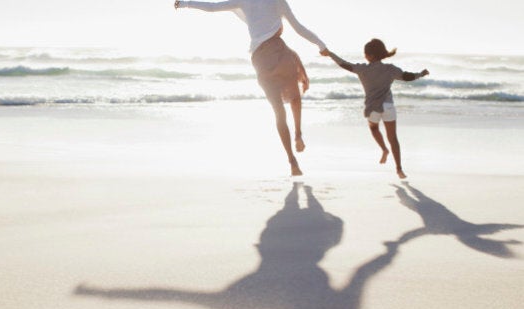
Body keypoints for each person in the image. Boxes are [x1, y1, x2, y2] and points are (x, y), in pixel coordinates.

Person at [174, 0, 329, 176]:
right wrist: (321, 45)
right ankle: (298, 134)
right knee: (294, 97)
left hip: (261, 60)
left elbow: (212, 8)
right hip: (279, 51)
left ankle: (292, 161)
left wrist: (185, 3)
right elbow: (298, 28)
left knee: (278, 111)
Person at [326, 39, 429, 179]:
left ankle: (384, 149)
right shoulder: (390, 69)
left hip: (373, 109)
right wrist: (421, 74)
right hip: (388, 106)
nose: (364, 56)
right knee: (393, 138)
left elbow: (344, 64)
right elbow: (407, 77)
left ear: (371, 56)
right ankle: (399, 169)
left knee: (374, 128)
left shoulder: (363, 69)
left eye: (366, 53)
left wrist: (330, 53)